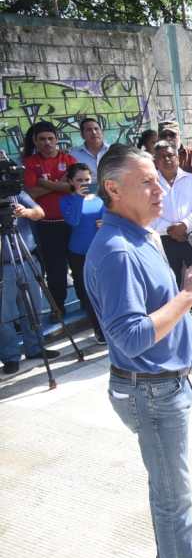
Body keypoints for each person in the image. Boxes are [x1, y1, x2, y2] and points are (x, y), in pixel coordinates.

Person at [85, 144, 192, 558]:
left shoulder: (140, 234)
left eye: (159, 179)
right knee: (172, 491)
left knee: (170, 486)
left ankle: (179, 557)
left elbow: (157, 303)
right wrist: (190, 294)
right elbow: (132, 336)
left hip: (161, 385)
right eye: (148, 182)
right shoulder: (115, 251)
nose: (161, 190)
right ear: (113, 189)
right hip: (149, 389)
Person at [151, 141, 192, 335]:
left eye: (171, 155)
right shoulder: (151, 184)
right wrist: (171, 230)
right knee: (169, 282)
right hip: (164, 240)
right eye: (162, 156)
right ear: (156, 161)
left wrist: (184, 226)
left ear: (178, 157)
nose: (167, 159)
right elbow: (150, 212)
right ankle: (174, 325)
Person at [22, 120, 77, 315]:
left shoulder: (69, 159)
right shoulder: (30, 163)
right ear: (35, 142)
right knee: (55, 271)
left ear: (56, 139)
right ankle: (58, 308)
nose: (47, 143)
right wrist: (58, 184)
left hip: (73, 223)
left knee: (79, 266)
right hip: (47, 226)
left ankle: (89, 305)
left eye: (50, 138)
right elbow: (30, 194)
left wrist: (44, 183)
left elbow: (73, 188)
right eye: (42, 139)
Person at [0, 191, 58, 375]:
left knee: (34, 308)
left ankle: (35, 349)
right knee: (4, 315)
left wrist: (25, 212)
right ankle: (10, 357)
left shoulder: (15, 192)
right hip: (3, 265)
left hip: (27, 258)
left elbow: (39, 212)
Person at [60, 162, 105, 343]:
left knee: (105, 290)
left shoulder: (100, 198)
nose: (84, 183)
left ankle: (110, 326)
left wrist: (105, 223)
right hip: (79, 253)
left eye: (87, 179)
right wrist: (79, 198)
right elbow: (73, 221)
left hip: (101, 250)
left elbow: (110, 216)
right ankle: (98, 329)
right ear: (71, 181)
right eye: (79, 180)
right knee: (88, 293)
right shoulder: (66, 200)